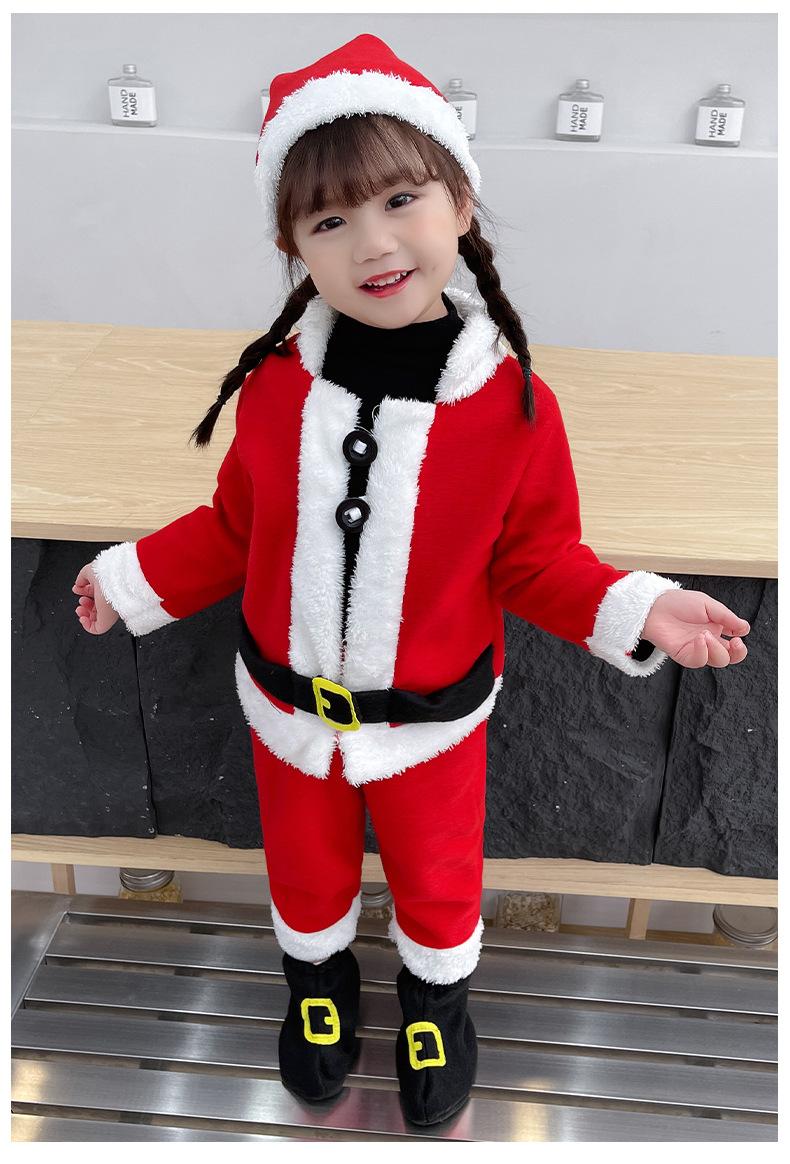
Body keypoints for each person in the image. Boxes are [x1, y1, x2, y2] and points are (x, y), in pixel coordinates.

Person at [71, 34, 750, 1128]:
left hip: (433, 721)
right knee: (304, 873)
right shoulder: (280, 389)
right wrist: (130, 581)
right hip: (288, 711)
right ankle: (318, 988)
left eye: (400, 200)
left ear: (460, 205)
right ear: (294, 247)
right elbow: (237, 526)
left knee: (438, 877)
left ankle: (437, 1004)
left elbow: (537, 561)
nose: (373, 243)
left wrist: (642, 607)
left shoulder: (514, 409)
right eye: (329, 222)